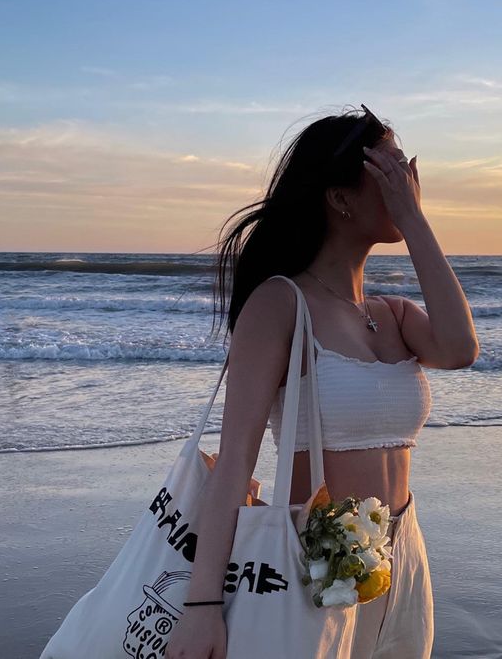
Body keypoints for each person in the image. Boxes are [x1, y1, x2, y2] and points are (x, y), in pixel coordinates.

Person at [165, 104, 479, 659]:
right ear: (339, 197)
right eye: (388, 170)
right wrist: (201, 606)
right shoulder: (282, 304)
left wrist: (416, 222)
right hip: (312, 567)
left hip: (401, 563)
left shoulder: (394, 314)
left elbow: (460, 348)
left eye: (405, 168)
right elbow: (235, 459)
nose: (407, 180)